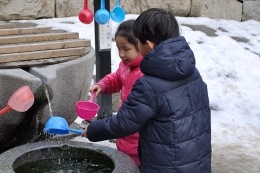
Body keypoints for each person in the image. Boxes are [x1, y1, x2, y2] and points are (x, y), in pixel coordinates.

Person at [82, 8, 211, 173]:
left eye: (137, 42)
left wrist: (93, 129)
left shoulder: (149, 84)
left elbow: (123, 123)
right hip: (196, 160)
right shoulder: (192, 72)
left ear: (149, 45)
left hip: (164, 165)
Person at [89, 19, 143, 166]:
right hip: (125, 131)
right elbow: (117, 78)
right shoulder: (125, 66)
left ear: (141, 45)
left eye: (126, 49)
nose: (121, 54)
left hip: (138, 135)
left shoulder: (144, 73)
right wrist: (103, 84)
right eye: (118, 48)